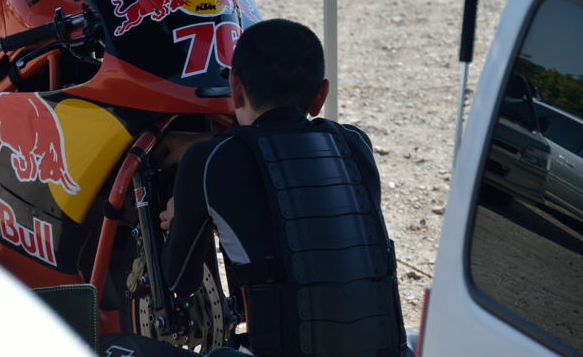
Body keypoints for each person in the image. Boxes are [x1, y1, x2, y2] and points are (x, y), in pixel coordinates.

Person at [158, 18, 408, 357]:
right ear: (321, 96)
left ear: (235, 87)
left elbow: (180, 283)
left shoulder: (208, 161)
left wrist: (183, 216)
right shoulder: (355, 144)